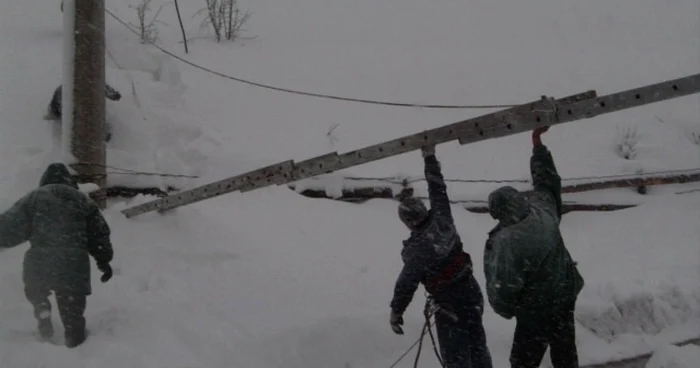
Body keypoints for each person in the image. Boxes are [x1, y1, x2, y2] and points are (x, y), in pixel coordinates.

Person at [483, 126, 584, 368]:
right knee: (565, 353)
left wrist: (506, 309)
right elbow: (547, 181)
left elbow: (503, 286)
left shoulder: (507, 243)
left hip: (535, 311)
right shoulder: (543, 210)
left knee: (523, 362)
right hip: (564, 295)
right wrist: (537, 145)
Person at [389, 145, 492, 368]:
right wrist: (429, 158)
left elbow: (406, 284)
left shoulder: (415, 250)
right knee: (478, 347)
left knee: (457, 359)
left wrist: (396, 312)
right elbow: (437, 189)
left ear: (407, 222)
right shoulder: (442, 217)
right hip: (471, 292)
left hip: (449, 305)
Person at [0, 163, 114, 348]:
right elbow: (98, 234)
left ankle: (41, 305)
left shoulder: (35, 197)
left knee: (34, 287)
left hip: (41, 257)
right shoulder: (82, 200)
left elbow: (10, 225)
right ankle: (76, 343)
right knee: (72, 306)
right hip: (73, 263)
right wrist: (104, 261)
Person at [44, 84, 121, 142]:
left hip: (73, 114)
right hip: (64, 116)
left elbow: (110, 92)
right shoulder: (65, 91)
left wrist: (113, 94)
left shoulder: (93, 85)